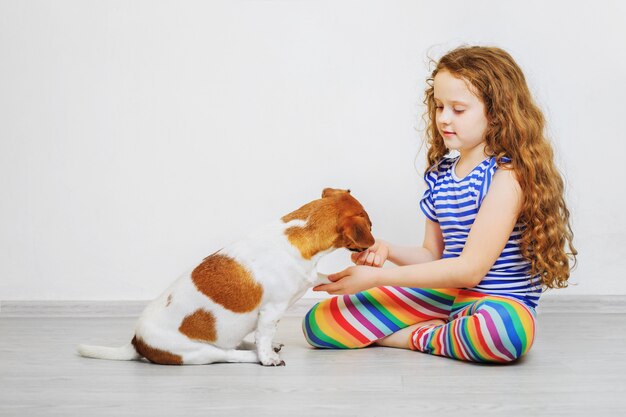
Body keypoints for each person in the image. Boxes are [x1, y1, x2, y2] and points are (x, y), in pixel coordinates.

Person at [305, 45, 577, 363]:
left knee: (503, 335)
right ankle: (449, 333)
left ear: (497, 113)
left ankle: (417, 337)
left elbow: (470, 270)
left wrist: (379, 278)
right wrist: (387, 249)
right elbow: (431, 256)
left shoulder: (507, 177)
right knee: (319, 324)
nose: (444, 119)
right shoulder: (440, 176)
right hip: (446, 296)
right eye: (439, 107)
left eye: (458, 110)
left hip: (497, 303)